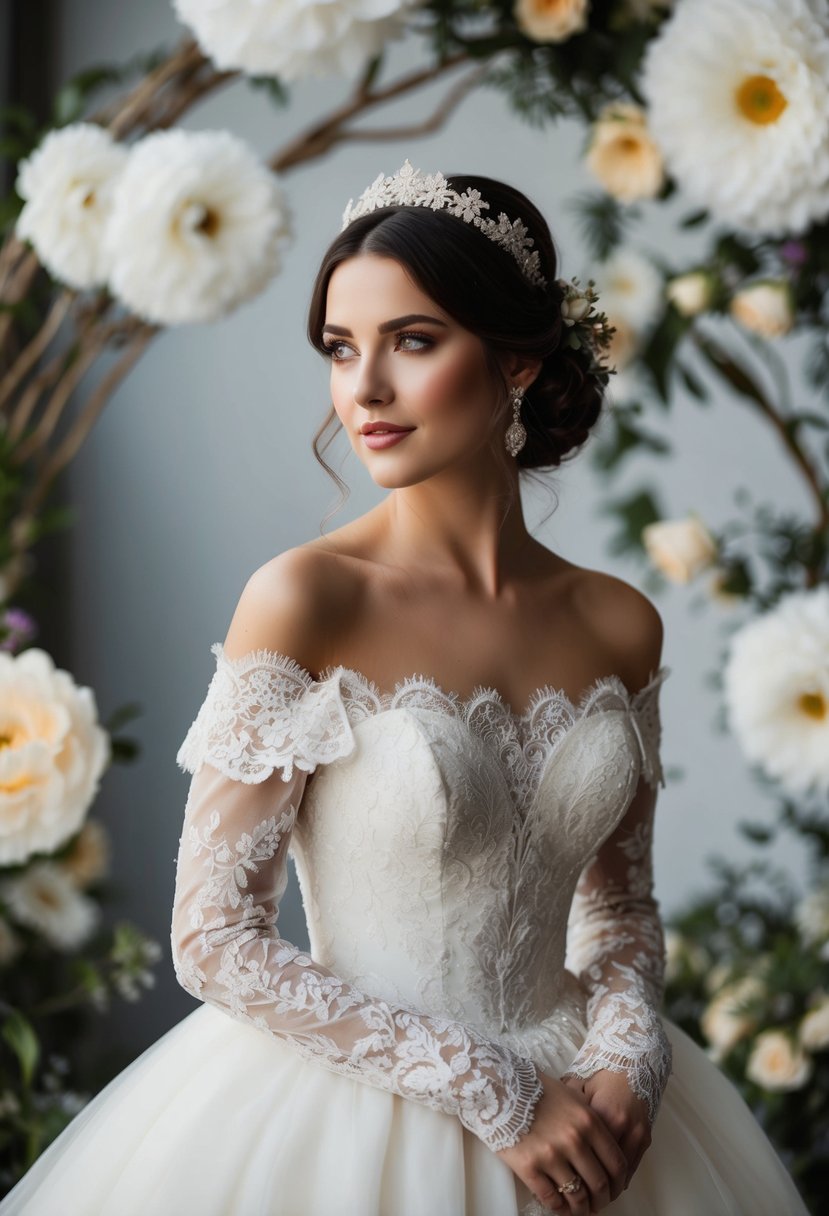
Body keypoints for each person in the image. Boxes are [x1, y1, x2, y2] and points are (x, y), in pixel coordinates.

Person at [0, 162, 810, 1216]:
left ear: (516, 359)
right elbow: (214, 938)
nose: (363, 390)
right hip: (354, 1119)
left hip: (595, 1123)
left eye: (411, 342)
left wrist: (624, 1063)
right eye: (342, 349)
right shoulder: (304, 599)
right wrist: (495, 1092)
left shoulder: (618, 622)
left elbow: (617, 910)